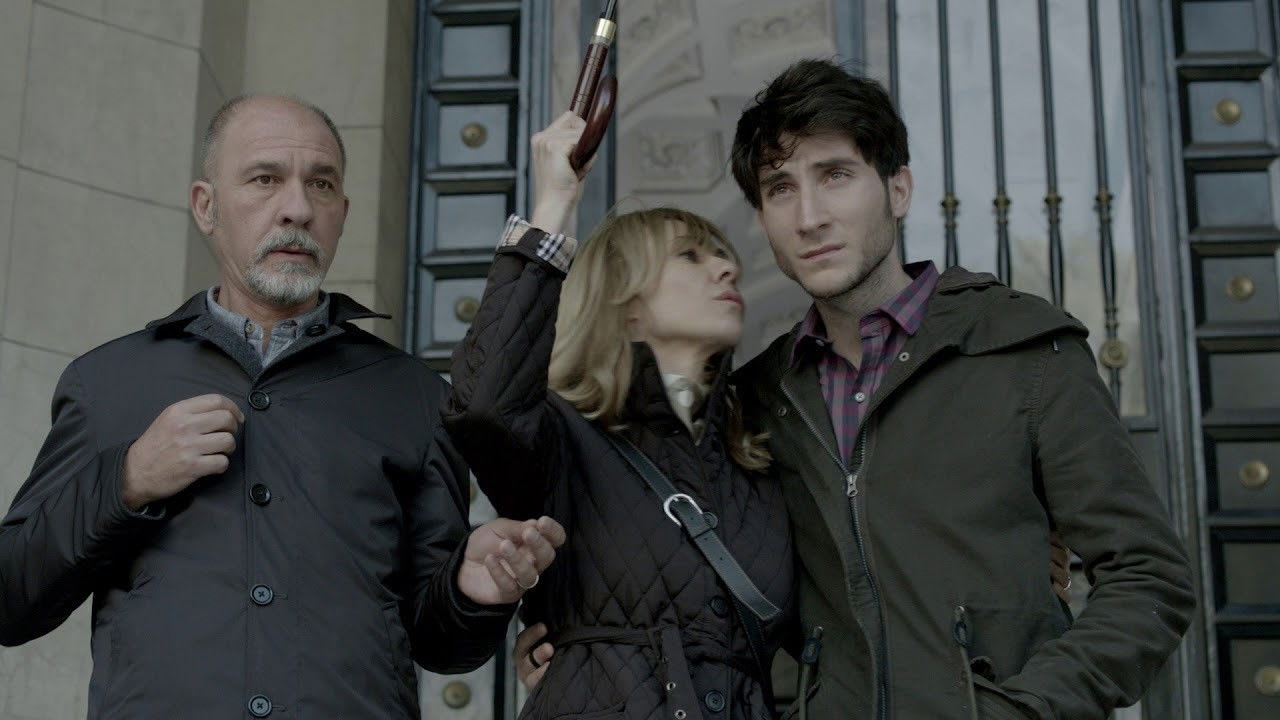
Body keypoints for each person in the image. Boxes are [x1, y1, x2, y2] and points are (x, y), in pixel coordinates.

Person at [520, 60, 1197, 720]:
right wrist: (593, 655)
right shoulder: (755, 402)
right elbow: (690, 575)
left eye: (836, 175)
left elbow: (1149, 575)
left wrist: (1030, 707)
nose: (809, 216)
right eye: (780, 188)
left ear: (898, 189)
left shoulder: (1023, 350)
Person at [0, 94, 564, 720]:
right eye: (265, 179)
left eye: (320, 184)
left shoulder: (414, 396)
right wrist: (126, 481)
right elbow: (11, 600)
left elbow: (441, 645)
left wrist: (471, 590)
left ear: (342, 212)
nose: (297, 208)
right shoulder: (107, 382)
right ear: (206, 206)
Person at [445, 112, 795, 720]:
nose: (728, 268)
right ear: (626, 305)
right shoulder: (562, 436)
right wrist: (553, 208)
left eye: (722, 256)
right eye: (690, 256)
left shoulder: (760, 454)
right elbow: (484, 407)